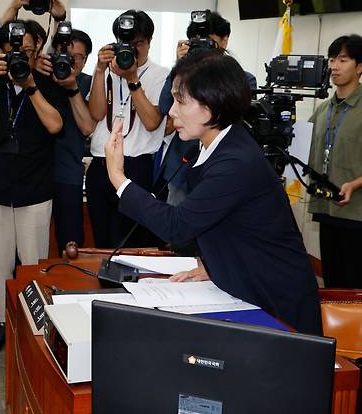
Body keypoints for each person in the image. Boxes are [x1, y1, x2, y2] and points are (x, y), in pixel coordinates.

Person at [105, 50, 322, 335]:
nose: (170, 111)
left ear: (210, 106)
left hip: (276, 302)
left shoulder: (235, 162)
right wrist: (216, 265)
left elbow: (178, 225)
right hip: (247, 284)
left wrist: (118, 177)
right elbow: (229, 224)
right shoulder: (216, 145)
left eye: (180, 100)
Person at [0, 19, 65, 355]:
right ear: (3, 50)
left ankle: (35, 326)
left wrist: (32, 85)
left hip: (34, 191)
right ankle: (1, 323)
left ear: (36, 49)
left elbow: (55, 125)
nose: (20, 55)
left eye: (27, 49)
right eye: (13, 49)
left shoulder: (48, 83)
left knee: (33, 264)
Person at [308, 34, 362, 291]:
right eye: (332, 59)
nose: (334, 66)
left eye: (343, 60)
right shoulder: (323, 110)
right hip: (328, 210)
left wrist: (353, 185)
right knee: (334, 282)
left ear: (361, 66)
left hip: (361, 213)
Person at [155, 11, 256, 211]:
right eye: (195, 42)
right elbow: (166, 107)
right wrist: (180, 67)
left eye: (208, 41)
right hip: (182, 167)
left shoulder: (243, 80)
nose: (202, 48)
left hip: (220, 170)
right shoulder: (181, 77)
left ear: (224, 41)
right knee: (178, 233)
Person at [87, 10, 168, 249]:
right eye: (126, 44)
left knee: (132, 245)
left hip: (137, 168)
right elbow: (95, 114)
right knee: (102, 245)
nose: (132, 50)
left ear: (149, 43)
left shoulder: (161, 75)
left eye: (138, 44)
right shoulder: (106, 71)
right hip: (101, 167)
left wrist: (133, 79)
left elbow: (152, 122)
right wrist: (100, 71)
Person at [38, 28, 95, 255]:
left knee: (70, 241)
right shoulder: (40, 77)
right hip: (37, 172)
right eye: (63, 54)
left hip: (68, 173)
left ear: (84, 60)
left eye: (76, 58)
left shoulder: (89, 83)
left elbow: (88, 127)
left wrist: (71, 86)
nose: (68, 62)